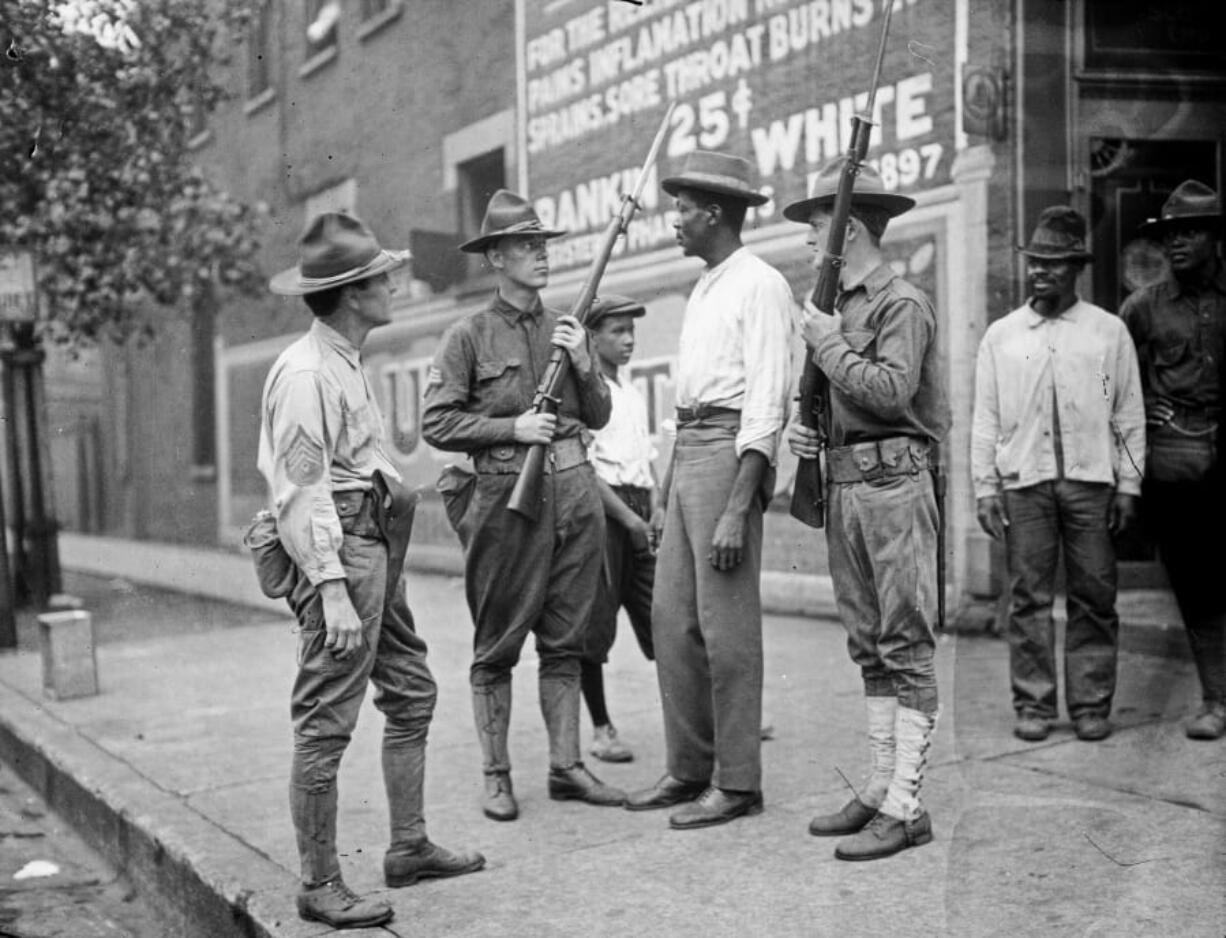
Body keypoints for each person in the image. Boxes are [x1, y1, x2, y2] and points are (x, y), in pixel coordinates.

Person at [257, 213, 483, 930]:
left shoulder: (343, 359)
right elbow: (300, 489)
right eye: (383, 277)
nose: (395, 283)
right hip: (343, 556)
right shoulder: (304, 373)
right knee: (326, 722)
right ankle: (320, 884)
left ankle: (408, 846)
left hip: (372, 547)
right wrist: (331, 591)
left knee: (411, 692)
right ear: (354, 293)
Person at [421, 189, 626, 822]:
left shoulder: (567, 325)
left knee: (567, 639)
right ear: (495, 260)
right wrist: (511, 429)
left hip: (573, 491)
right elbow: (437, 422)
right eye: (525, 247)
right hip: (506, 499)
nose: (540, 256)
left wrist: (587, 363)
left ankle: (566, 768)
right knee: (498, 643)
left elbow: (598, 414)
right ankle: (496, 774)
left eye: (542, 245)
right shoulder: (468, 335)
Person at [784, 156, 950, 861]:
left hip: (894, 486)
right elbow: (847, 405)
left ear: (848, 229)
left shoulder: (899, 304)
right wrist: (808, 429)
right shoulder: (844, 307)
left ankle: (908, 806)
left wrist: (824, 345)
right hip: (848, 485)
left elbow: (891, 393)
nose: (808, 243)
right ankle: (882, 788)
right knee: (868, 642)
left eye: (817, 228)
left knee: (905, 643)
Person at [626, 150, 796, 830]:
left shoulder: (761, 284)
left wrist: (737, 505)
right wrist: (668, 485)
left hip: (730, 456)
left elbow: (767, 400)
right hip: (690, 451)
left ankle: (738, 782)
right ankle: (690, 766)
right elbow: (687, 402)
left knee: (727, 633)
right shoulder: (704, 286)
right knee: (671, 621)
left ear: (717, 213)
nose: (675, 220)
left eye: (684, 209)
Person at [971, 205, 1145, 745]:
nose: (1041, 272)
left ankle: (1091, 704)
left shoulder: (1107, 331)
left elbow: (1128, 412)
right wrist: (984, 486)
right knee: (1028, 598)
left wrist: (1129, 485)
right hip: (1025, 484)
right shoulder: (1002, 335)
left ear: (1077, 269)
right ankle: (1034, 705)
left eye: (1055, 263)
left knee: (1095, 595)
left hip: (1091, 484)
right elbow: (987, 419)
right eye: (1035, 262)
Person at [1121, 179, 1226, 740]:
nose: (1176, 244)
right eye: (1169, 236)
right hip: (1177, 463)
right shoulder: (1143, 307)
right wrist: (1144, 409)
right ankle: (1216, 700)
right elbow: (1108, 379)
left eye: (1189, 231)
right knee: (1198, 585)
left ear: (1214, 237)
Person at [581, 294, 663, 764]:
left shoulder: (630, 393)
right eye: (617, 330)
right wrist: (629, 519)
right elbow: (589, 471)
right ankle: (601, 727)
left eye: (631, 330)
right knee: (595, 623)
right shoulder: (590, 395)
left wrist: (653, 509)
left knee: (666, 618)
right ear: (592, 337)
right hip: (606, 514)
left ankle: (702, 716)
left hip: (638, 511)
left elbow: (645, 462)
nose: (628, 339)